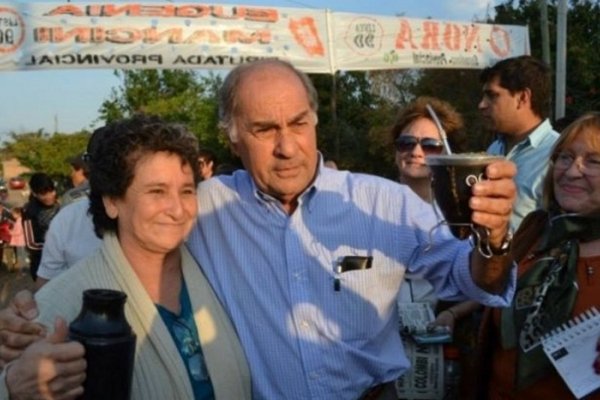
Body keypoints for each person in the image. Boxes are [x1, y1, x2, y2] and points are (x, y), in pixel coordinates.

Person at [1, 59, 517, 400]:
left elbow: (472, 279)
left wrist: (492, 239)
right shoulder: (204, 208)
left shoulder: (384, 202)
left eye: (298, 123)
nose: (287, 146)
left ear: (315, 122)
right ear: (232, 138)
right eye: (264, 130)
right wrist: (21, 326)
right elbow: (121, 249)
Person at [0, 115, 251, 399]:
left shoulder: (216, 272)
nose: (178, 209)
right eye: (157, 191)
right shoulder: (61, 308)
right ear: (111, 201)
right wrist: (12, 388)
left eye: (186, 191)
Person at [478, 112, 600, 399]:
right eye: (565, 157)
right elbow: (491, 294)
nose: (571, 171)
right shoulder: (536, 229)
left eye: (594, 161)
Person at [391, 96, 482, 398]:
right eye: (406, 143)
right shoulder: (367, 205)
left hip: (441, 353)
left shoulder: (466, 215)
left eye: (430, 145)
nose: (416, 152)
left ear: (447, 154)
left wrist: (453, 314)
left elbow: (487, 283)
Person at [479, 55, 560, 230]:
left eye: (492, 96)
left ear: (523, 97)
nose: (482, 105)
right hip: (485, 254)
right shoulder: (495, 148)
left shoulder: (559, 154)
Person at [22, 172, 60, 281]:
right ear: (34, 194)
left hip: (62, 264)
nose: (49, 196)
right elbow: (30, 244)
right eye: (44, 193)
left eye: (51, 191)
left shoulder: (59, 206)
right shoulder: (29, 211)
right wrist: (55, 247)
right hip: (42, 266)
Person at [7, 207, 26, 274]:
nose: (13, 216)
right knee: (20, 255)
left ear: (18, 214)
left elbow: (18, 232)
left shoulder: (19, 221)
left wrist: (10, 232)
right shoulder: (19, 220)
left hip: (20, 241)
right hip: (20, 241)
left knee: (21, 255)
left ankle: (22, 269)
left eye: (14, 214)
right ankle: (21, 268)